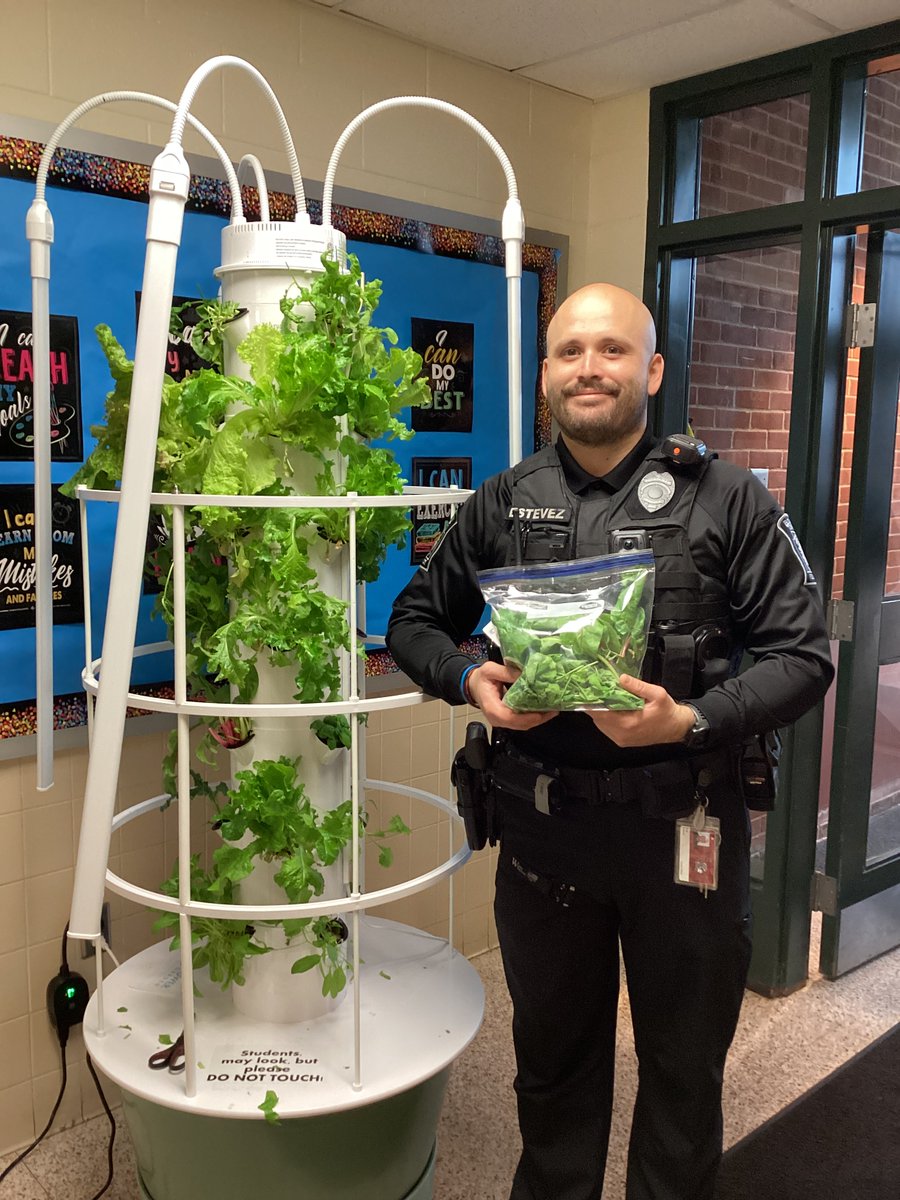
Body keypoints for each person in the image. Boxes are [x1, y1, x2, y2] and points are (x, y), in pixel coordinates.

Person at [386, 283, 834, 1200]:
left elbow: (805, 654)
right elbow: (413, 622)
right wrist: (473, 680)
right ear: (547, 372)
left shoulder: (728, 498)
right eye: (570, 351)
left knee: (681, 1075)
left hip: (683, 834)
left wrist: (691, 719)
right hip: (546, 834)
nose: (590, 368)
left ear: (652, 368)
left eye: (614, 350)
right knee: (552, 1072)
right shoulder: (505, 501)